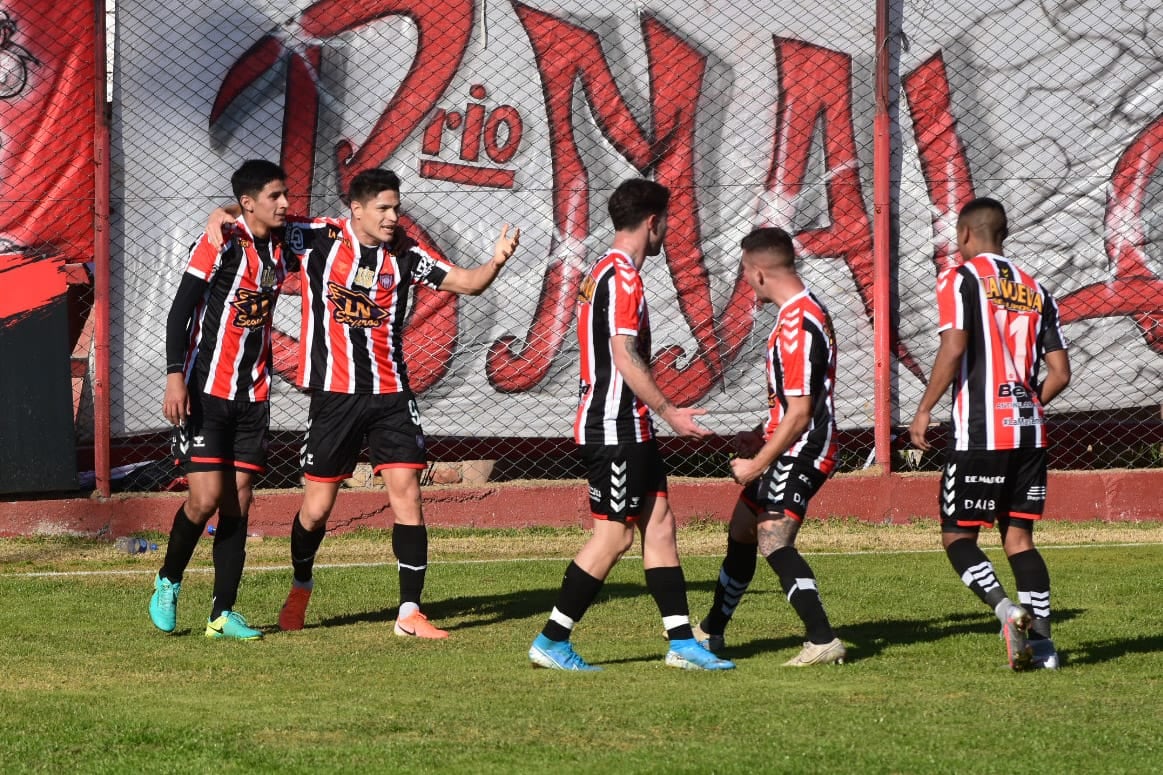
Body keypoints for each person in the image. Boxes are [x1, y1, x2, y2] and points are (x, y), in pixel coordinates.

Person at [210, 168, 519, 638]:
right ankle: (301, 583)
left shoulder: (407, 256)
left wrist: (494, 263)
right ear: (357, 209)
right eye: (384, 208)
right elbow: (261, 217)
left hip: (392, 395)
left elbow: (467, 283)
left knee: (409, 495)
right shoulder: (317, 239)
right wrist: (224, 211)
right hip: (334, 397)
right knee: (315, 509)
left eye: (396, 207)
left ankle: (409, 613)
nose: (394, 217)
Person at [527, 178, 734, 672]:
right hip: (614, 427)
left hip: (629, 425)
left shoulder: (600, 270)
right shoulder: (622, 277)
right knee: (614, 537)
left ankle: (682, 643)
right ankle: (552, 639)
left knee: (659, 524)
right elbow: (622, 355)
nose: (669, 232)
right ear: (652, 222)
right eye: (667, 223)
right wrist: (670, 412)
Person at [909, 197, 1071, 671]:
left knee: (957, 538)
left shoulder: (959, 279)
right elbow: (1060, 373)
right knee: (1019, 539)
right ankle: (1044, 649)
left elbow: (954, 346)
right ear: (1003, 233)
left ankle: (1006, 610)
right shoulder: (1037, 289)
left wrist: (923, 410)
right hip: (1029, 433)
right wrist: (1026, 402)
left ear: (964, 235)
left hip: (980, 433)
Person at [150, 159, 293, 640]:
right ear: (252, 202)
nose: (286, 204)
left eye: (285, 195)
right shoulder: (219, 243)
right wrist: (175, 377)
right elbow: (178, 314)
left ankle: (221, 614)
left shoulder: (283, 244)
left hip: (253, 395)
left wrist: (228, 206)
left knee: (239, 501)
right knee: (205, 498)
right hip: (206, 391)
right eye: (275, 196)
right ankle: (168, 579)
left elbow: (325, 229)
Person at [694, 227, 847, 666]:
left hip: (803, 447)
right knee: (742, 529)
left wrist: (758, 461)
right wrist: (761, 432)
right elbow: (795, 401)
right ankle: (711, 631)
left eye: (744, 272)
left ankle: (821, 639)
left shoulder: (798, 324)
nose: (744, 282)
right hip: (788, 439)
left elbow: (801, 413)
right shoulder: (801, 311)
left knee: (773, 539)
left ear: (759, 273)